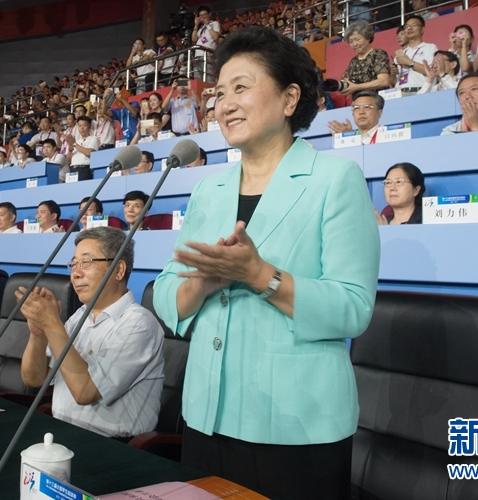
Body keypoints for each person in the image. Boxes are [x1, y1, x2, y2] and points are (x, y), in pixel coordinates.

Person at [153, 26, 380, 498]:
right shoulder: (208, 189)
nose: (224, 104)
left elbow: (353, 308)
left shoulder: (334, 179)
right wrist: (202, 284)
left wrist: (260, 275)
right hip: (206, 411)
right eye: (219, 94)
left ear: (289, 98)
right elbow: (167, 291)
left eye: (241, 87)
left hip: (295, 422)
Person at [18, 227, 164, 437]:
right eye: (73, 264)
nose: (75, 273)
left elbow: (85, 391)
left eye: (86, 263)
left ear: (118, 270)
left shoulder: (139, 325)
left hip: (111, 444)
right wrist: (39, 334)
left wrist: (52, 324)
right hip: (62, 433)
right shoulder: (79, 317)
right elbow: (35, 379)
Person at [338, 20, 391, 95]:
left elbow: (384, 81)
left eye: (357, 39)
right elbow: (345, 81)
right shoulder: (354, 61)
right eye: (351, 41)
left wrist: (356, 87)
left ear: (367, 38)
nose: (354, 44)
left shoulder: (378, 54)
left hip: (376, 98)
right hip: (358, 100)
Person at [393, 15, 438, 95]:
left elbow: (432, 72)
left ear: (422, 29)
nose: (409, 28)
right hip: (400, 92)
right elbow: (396, 81)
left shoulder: (430, 47)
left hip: (421, 91)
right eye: (406, 26)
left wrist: (410, 62)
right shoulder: (400, 54)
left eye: (414, 25)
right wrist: (392, 75)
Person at [63, 116, 99, 181]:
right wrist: (70, 149)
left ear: (89, 126)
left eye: (84, 125)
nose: (82, 128)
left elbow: (89, 153)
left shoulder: (94, 138)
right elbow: (68, 159)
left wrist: (74, 144)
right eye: (79, 126)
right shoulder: (76, 141)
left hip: (85, 169)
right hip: (73, 170)